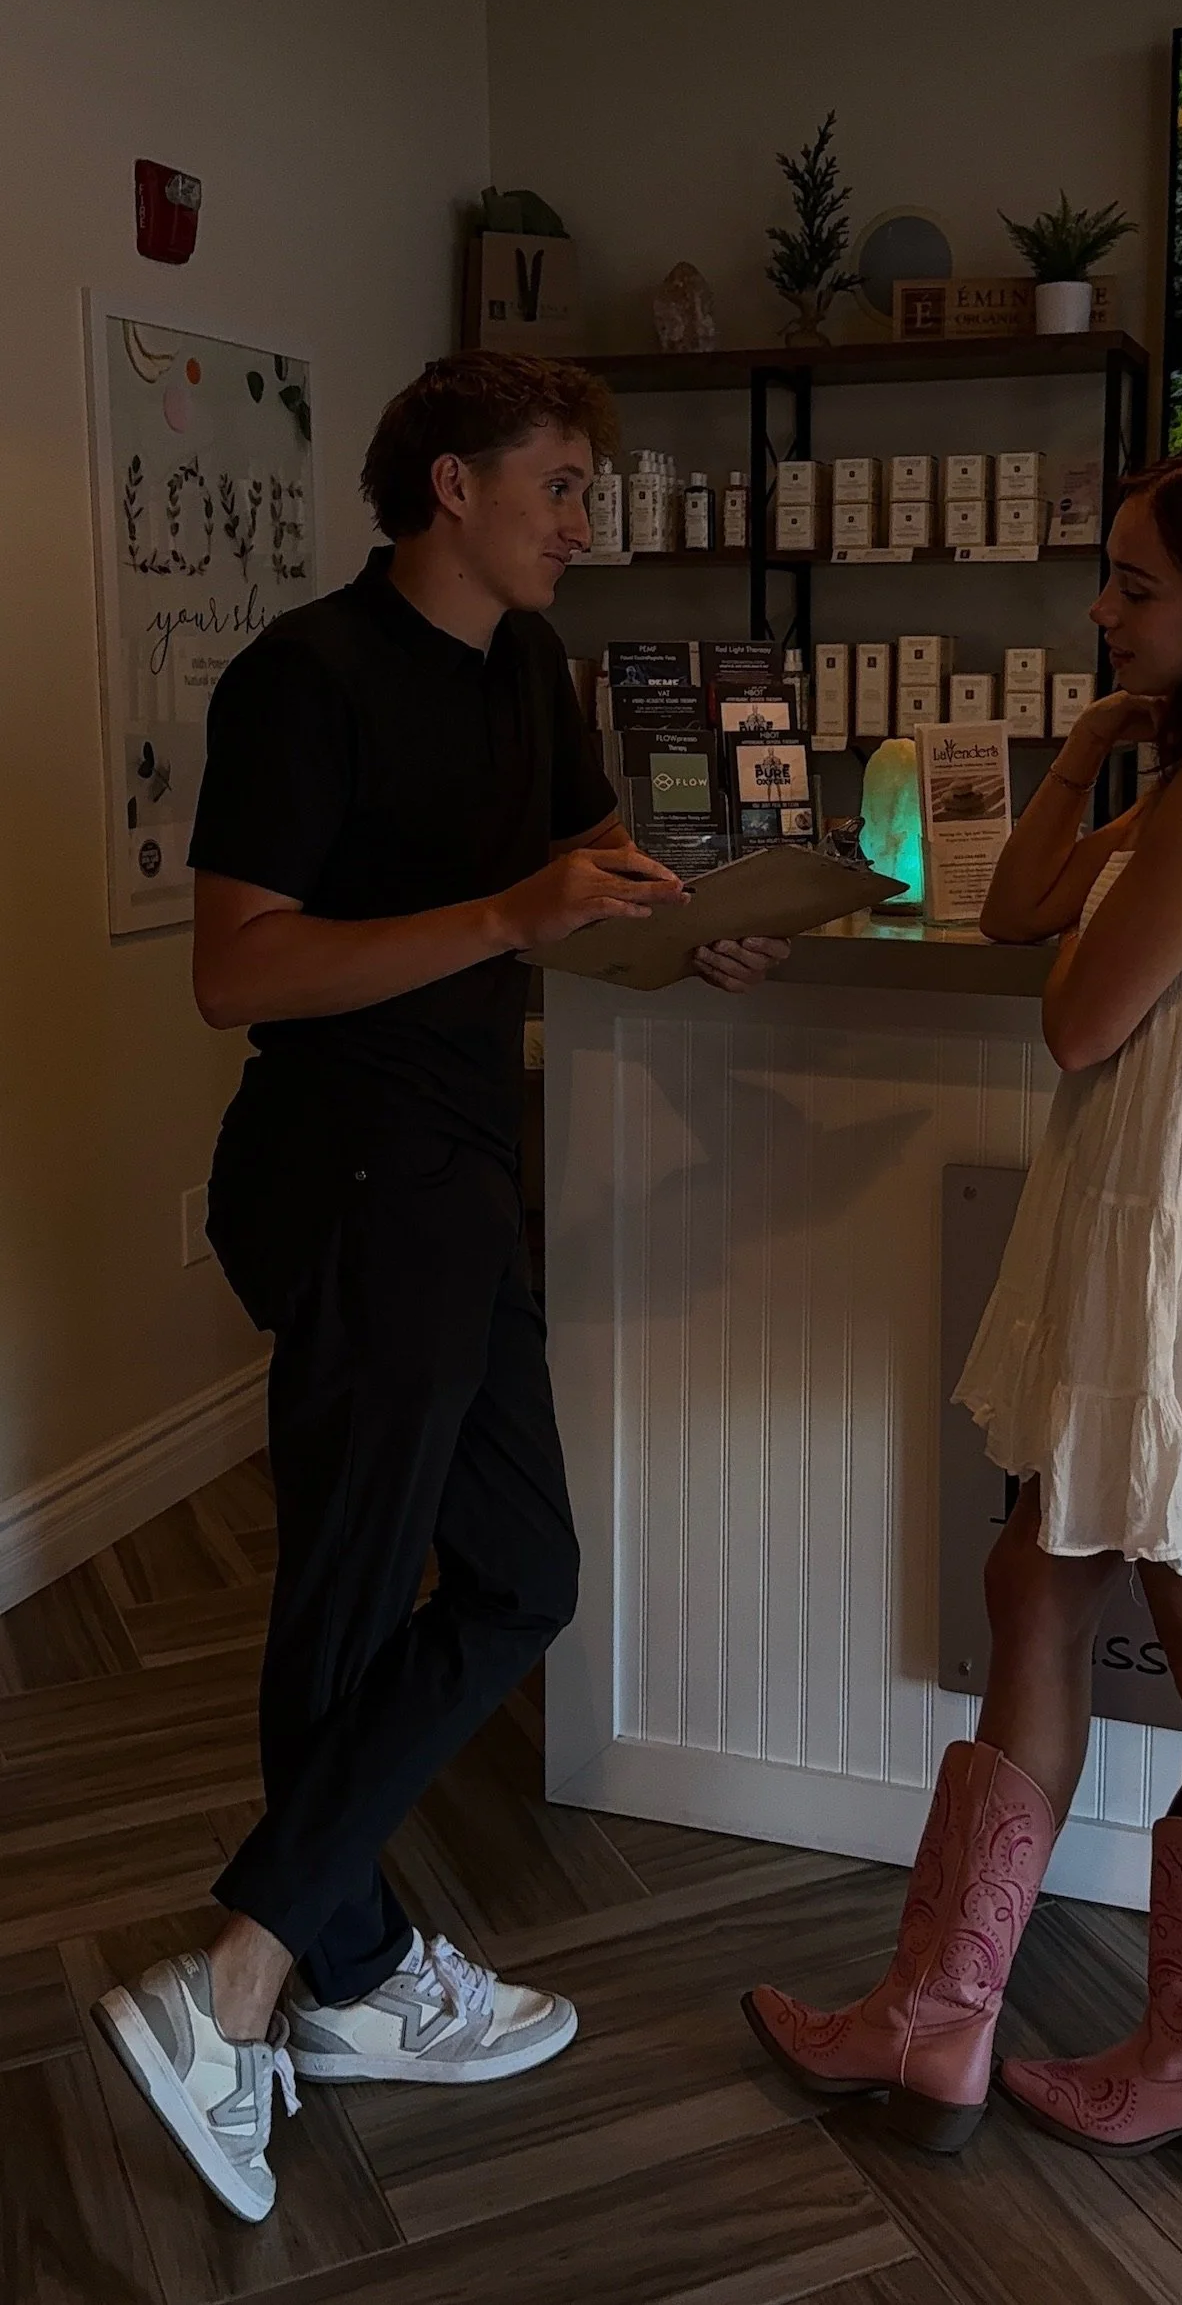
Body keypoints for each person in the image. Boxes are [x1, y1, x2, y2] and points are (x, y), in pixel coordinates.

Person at [93, 351, 788, 2224]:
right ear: (453, 485)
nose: (586, 523)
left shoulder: (530, 676)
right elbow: (236, 972)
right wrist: (506, 917)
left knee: (521, 1572)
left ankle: (275, 1967)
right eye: (560, 485)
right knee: (343, 1598)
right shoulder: (302, 679)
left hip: (466, 1176)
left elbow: (572, 884)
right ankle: (296, 1980)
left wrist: (688, 931)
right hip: (346, 1183)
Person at [744, 442, 1182, 2161]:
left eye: (1138, 582)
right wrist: (1083, 753)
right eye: (1109, 574)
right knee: (1039, 1580)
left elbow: (1074, 1016)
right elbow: (1016, 906)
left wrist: (1130, 812)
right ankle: (941, 2017)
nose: (1103, 607)